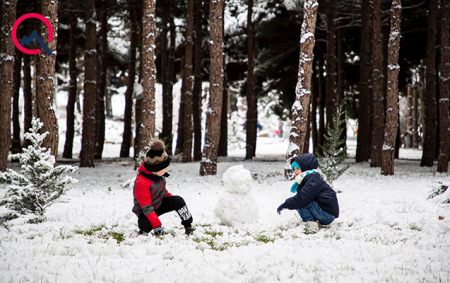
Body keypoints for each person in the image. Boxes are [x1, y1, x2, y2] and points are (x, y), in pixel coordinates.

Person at [132, 140, 194, 236]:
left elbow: (163, 193)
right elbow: (147, 207)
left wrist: (173, 202)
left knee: (178, 200)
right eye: (164, 167)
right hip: (145, 211)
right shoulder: (141, 183)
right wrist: (157, 226)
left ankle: (188, 226)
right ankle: (143, 232)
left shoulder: (159, 176)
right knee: (146, 225)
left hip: (158, 204)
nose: (166, 169)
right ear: (155, 169)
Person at [277, 153, 339, 233]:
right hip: (325, 213)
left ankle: (312, 226)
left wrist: (285, 204)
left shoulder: (313, 178)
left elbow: (303, 198)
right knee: (299, 200)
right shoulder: (308, 177)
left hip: (327, 214)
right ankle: (311, 223)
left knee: (300, 201)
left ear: (304, 167)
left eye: (297, 168)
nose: (295, 171)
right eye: (294, 169)